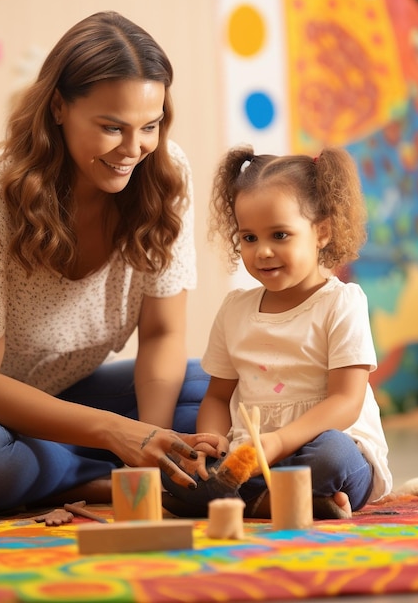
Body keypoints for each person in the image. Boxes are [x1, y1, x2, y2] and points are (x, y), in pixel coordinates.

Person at [0, 11, 222, 519]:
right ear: (60, 107)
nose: (133, 150)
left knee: (218, 384)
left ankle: (67, 472)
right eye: (112, 128)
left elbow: (162, 334)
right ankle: (63, 475)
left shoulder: (166, 174)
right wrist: (118, 432)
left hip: (66, 392)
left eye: (149, 126)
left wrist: (151, 446)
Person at [162, 145, 393, 519]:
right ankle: (284, 502)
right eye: (249, 238)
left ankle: (258, 501)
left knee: (333, 455)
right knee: (178, 468)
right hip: (250, 458)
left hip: (327, 447)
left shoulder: (341, 303)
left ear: (322, 232)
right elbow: (218, 398)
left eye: (280, 235)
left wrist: (281, 441)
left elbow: (346, 402)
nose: (263, 252)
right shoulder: (235, 309)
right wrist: (213, 440)